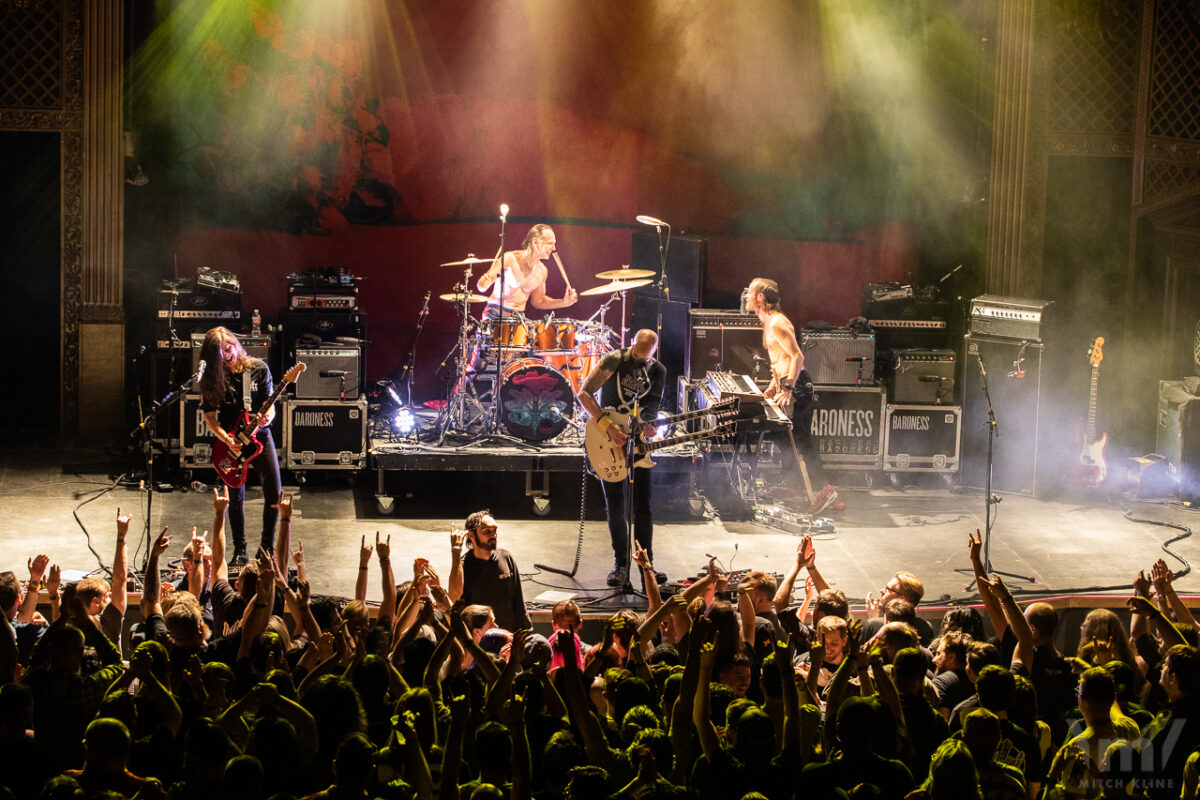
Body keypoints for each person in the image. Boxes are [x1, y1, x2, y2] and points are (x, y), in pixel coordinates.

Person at [576, 329, 667, 588]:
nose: (640, 362)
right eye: (637, 355)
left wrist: (650, 425)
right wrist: (607, 425)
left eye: (645, 358)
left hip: (639, 446)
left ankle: (646, 563)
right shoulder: (614, 360)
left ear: (654, 353)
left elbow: (652, 407)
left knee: (643, 508)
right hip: (609, 438)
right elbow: (584, 394)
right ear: (631, 345)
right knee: (615, 505)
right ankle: (620, 564)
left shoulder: (658, 371)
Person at [742, 277, 833, 505]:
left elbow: (797, 357)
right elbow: (779, 359)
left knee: (802, 439)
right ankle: (798, 484)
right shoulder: (769, 322)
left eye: (749, 293)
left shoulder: (777, 323)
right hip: (786, 383)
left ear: (760, 298)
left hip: (798, 386)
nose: (745, 296)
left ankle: (824, 490)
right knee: (784, 437)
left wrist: (788, 388)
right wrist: (773, 386)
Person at [198, 326, 282, 565]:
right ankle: (240, 551)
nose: (228, 354)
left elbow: (270, 402)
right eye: (221, 353)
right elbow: (210, 418)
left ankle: (266, 548)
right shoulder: (212, 377)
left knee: (274, 493)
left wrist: (269, 416)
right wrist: (226, 439)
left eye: (229, 347)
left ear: (235, 344)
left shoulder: (258, 369)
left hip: (259, 436)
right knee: (235, 499)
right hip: (231, 443)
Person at [447, 510, 532, 633]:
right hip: (479, 641)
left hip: (507, 640)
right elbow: (454, 599)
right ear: (471, 535)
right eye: (486, 531)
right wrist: (456, 551)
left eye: (494, 531)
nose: (493, 536)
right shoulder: (464, 566)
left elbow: (518, 601)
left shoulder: (506, 557)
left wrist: (526, 633)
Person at [475, 223, 578, 317]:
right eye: (550, 243)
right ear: (535, 242)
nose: (553, 248)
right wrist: (482, 285)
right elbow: (483, 286)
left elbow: (538, 301)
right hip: (495, 314)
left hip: (518, 318)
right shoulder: (510, 259)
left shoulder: (542, 271)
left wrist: (564, 302)